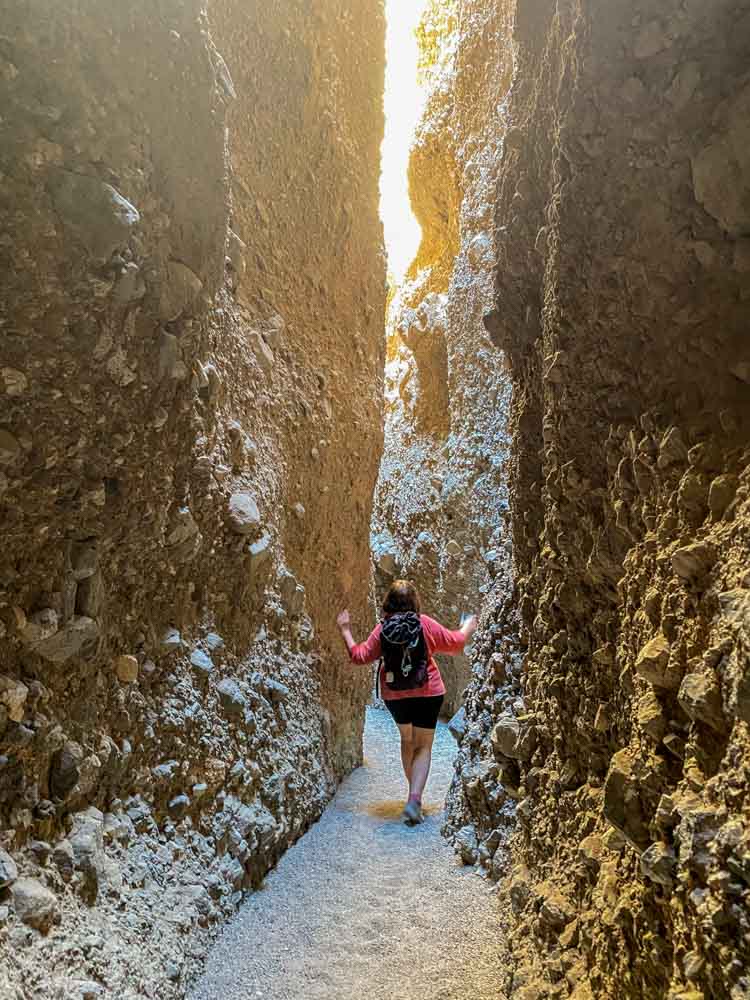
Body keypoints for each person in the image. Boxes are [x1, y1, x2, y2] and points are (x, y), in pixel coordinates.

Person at [336, 580, 477, 826]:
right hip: (429, 692)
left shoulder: (382, 629)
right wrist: (467, 626)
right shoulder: (424, 624)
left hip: (395, 695)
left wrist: (345, 630)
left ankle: (412, 795)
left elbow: (359, 656)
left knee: (407, 740)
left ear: (388, 603)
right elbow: (456, 644)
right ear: (415, 603)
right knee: (423, 746)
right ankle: (415, 799)